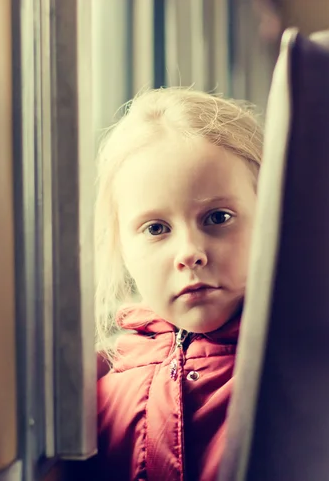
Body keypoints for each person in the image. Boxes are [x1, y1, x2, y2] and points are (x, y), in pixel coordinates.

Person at [91, 87, 263, 480]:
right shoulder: (99, 394)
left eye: (218, 218)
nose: (190, 252)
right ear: (123, 248)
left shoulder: (307, 370)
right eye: (156, 228)